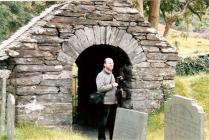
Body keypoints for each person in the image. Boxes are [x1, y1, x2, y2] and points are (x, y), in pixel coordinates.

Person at [96, 58, 118, 140]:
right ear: (104, 64)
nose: (111, 64)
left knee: (113, 123)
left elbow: (114, 87)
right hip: (104, 102)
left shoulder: (112, 74)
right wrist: (112, 85)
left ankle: (112, 138)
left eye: (112, 63)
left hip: (113, 102)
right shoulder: (100, 75)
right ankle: (101, 138)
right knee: (103, 123)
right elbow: (100, 88)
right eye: (109, 63)